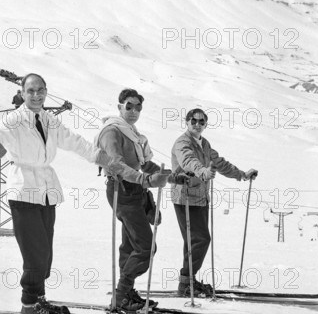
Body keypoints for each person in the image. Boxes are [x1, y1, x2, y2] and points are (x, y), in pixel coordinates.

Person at [0, 74, 146, 314]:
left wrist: (104, 160)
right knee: (35, 254)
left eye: (40, 90)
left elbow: (76, 142)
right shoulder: (14, 120)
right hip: (23, 191)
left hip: (47, 192)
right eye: (30, 91)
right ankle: (29, 306)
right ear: (22, 93)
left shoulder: (49, 120)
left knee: (45, 254)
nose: (36, 95)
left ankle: (40, 300)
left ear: (46, 91)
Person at [97, 89, 189, 311]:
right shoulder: (112, 132)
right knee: (146, 247)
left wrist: (174, 177)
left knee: (130, 244)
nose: (134, 111)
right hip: (123, 190)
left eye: (138, 107)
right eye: (129, 106)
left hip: (136, 189)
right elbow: (117, 165)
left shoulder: (133, 133)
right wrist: (147, 180)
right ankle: (121, 295)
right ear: (119, 106)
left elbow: (146, 165)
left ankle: (126, 294)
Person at [170, 108, 258, 297]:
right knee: (201, 239)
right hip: (185, 197)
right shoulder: (182, 143)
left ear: (205, 125)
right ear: (187, 121)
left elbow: (220, 163)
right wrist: (202, 172)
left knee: (193, 241)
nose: (197, 124)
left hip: (200, 198)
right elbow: (188, 161)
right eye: (194, 120)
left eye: (202, 122)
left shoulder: (204, 144)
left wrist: (241, 174)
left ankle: (188, 281)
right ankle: (186, 282)